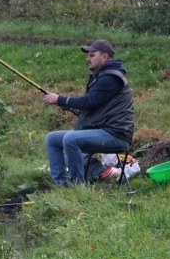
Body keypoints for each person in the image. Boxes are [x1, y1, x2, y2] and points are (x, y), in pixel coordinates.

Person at [42, 39, 134, 185]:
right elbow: (94, 105)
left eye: (92, 55)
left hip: (116, 134)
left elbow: (89, 102)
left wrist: (60, 99)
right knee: (52, 139)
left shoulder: (111, 77)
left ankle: (77, 187)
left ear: (104, 57)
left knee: (71, 139)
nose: (88, 59)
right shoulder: (103, 76)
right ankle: (60, 184)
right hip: (103, 130)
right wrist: (69, 104)